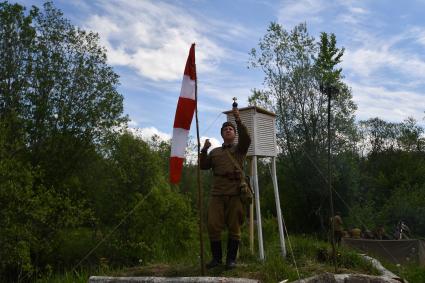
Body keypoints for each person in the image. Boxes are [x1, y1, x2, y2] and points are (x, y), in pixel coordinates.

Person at [200, 106, 251, 270]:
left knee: (234, 227)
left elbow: (247, 138)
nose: (228, 131)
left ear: (234, 134)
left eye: (231, 129)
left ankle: (231, 260)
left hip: (236, 193)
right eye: (225, 129)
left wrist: (237, 120)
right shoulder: (214, 152)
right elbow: (203, 166)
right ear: (221, 134)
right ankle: (216, 259)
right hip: (217, 194)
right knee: (213, 225)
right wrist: (204, 150)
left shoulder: (240, 149)